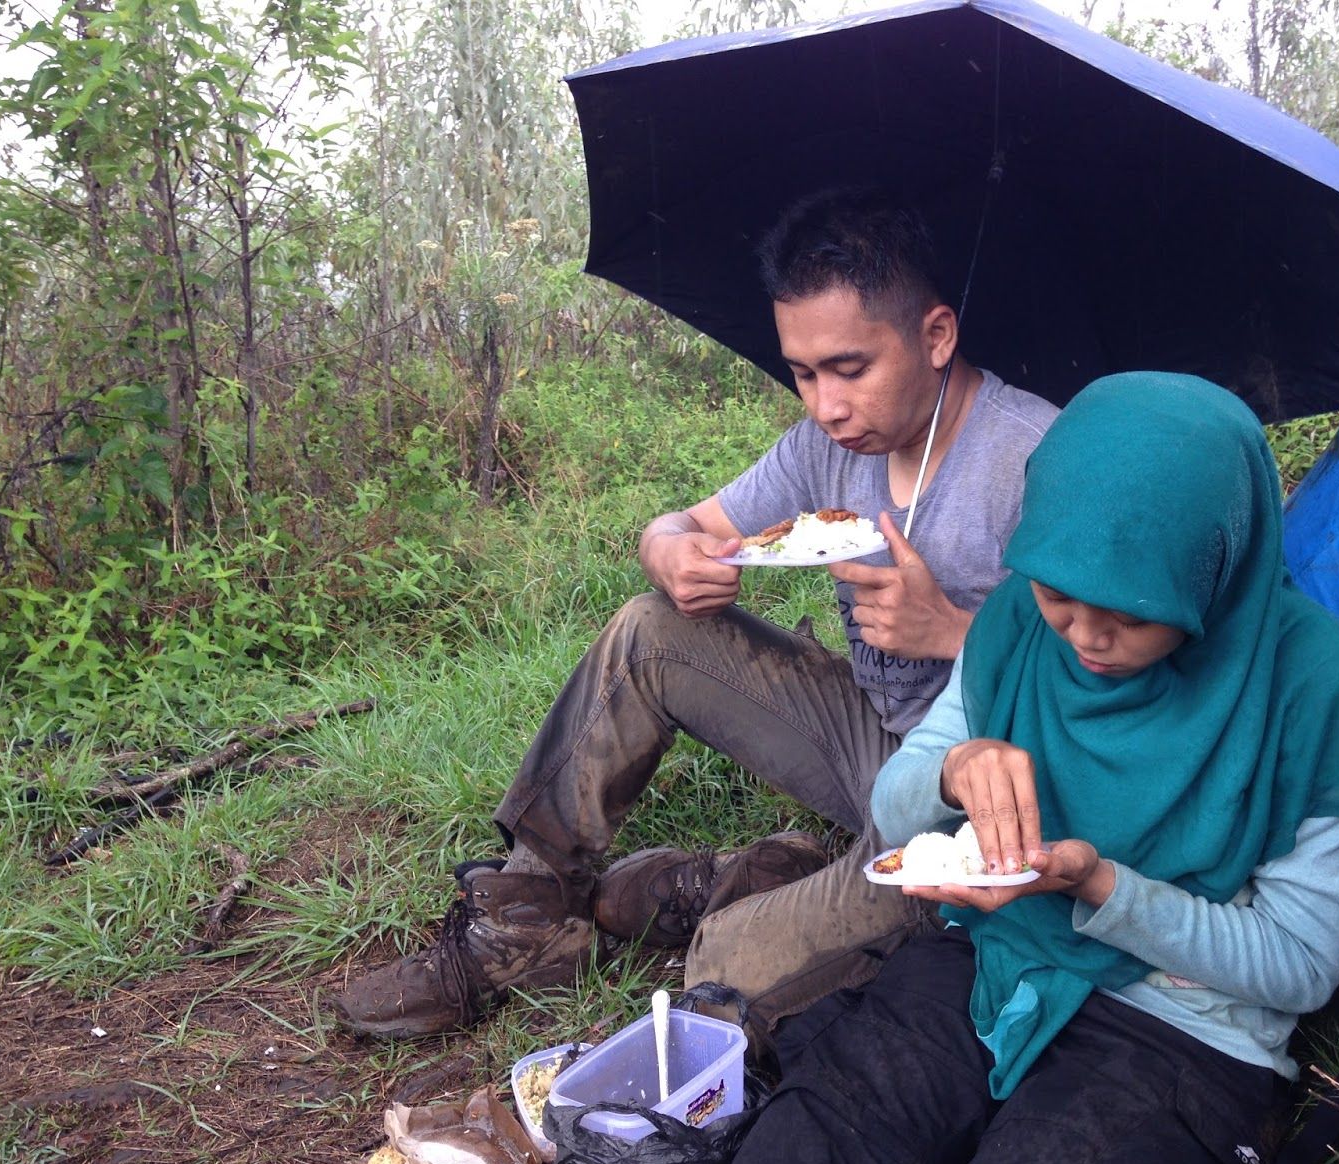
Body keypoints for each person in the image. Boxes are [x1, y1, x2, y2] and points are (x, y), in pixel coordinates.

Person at [335, 188, 1061, 1038]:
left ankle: (746, 886)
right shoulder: (826, 447)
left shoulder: (1036, 459)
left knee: (724, 967)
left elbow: (1124, 675)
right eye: (802, 372)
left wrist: (956, 633)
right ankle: (528, 919)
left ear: (936, 335)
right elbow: (685, 526)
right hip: (867, 737)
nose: (824, 405)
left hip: (970, 805)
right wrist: (673, 554)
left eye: (850, 368)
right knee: (650, 632)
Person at [720, 372, 1339, 1164]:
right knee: (806, 1157)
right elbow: (894, 804)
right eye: (1060, 593)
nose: (1086, 637)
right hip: (997, 957)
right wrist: (954, 767)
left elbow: (1301, 965)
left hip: (1183, 1026)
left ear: (1215, 569)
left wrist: (1102, 885)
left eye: (1131, 614)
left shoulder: (1314, 692)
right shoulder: (1020, 621)